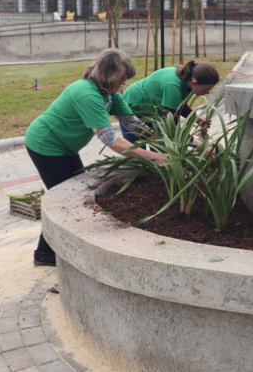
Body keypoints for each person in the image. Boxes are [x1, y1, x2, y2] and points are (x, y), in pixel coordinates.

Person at [25, 48, 164, 266]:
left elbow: (132, 123)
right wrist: (149, 155)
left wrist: (162, 142)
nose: (124, 83)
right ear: (107, 74)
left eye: (126, 78)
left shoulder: (110, 94)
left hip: (65, 148)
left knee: (73, 195)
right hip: (46, 144)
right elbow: (108, 137)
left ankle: (48, 250)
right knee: (65, 200)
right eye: (121, 78)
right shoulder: (87, 93)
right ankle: (44, 253)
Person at [120, 60, 219, 144]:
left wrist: (195, 118)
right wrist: (200, 145)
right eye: (207, 89)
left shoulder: (186, 80)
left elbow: (178, 104)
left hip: (153, 112)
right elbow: (172, 127)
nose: (208, 93)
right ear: (194, 83)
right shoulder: (173, 86)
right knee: (138, 152)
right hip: (132, 108)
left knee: (161, 150)